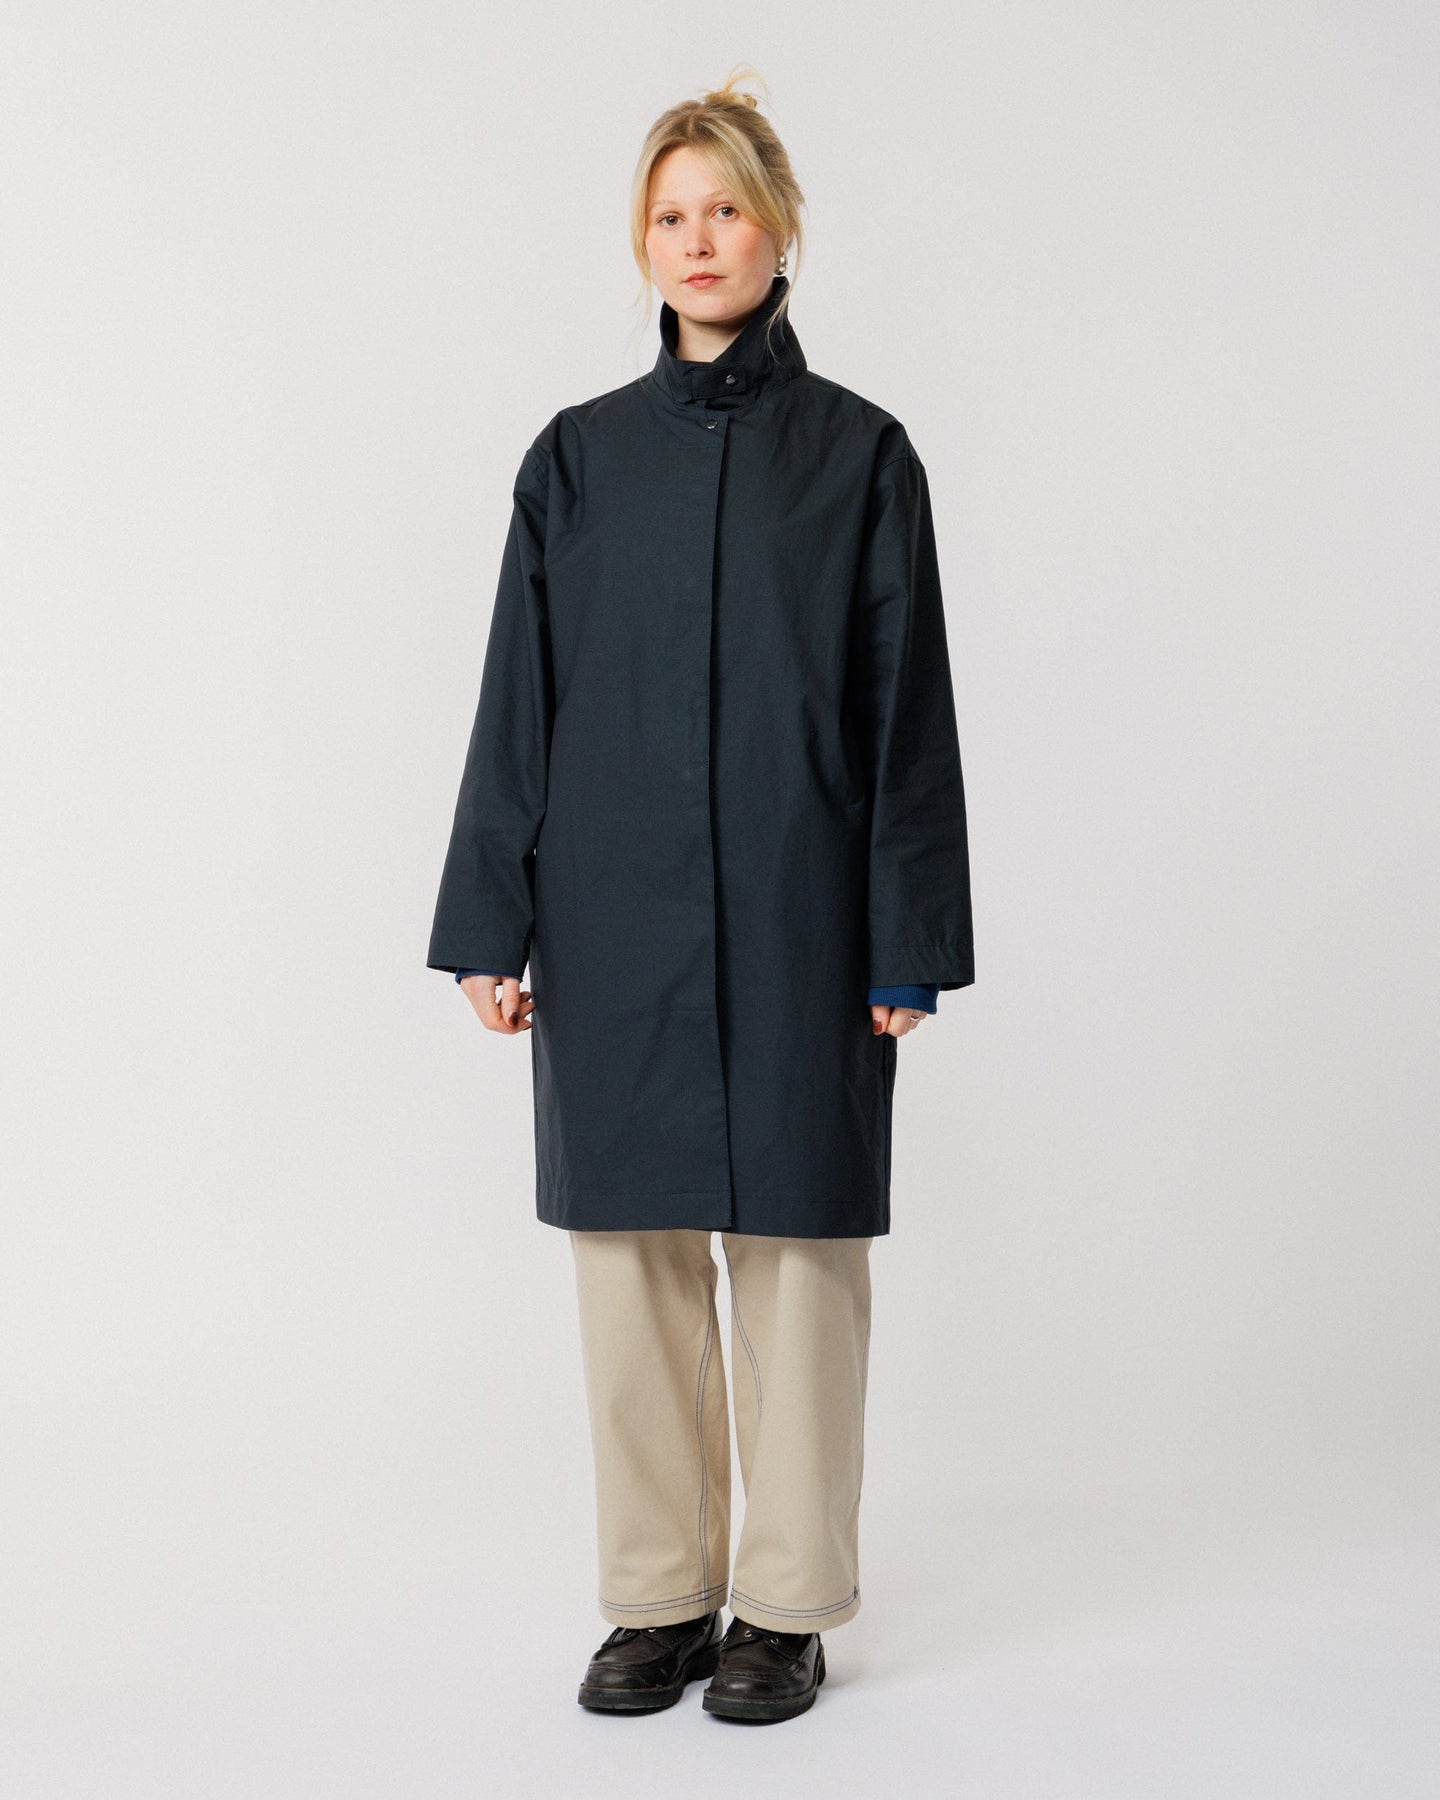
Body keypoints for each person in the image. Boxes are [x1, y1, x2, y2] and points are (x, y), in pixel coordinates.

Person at [426, 69, 973, 1724]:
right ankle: (660, 1597)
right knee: (632, 1264)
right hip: (612, 912)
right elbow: (518, 701)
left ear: (780, 226)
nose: (700, 238)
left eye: (726, 208)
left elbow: (905, 712)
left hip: (806, 908)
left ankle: (784, 1607)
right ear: (641, 243)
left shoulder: (862, 457)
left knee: (798, 1260)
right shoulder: (576, 462)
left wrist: (906, 941)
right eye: (671, 214)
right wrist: (491, 916)